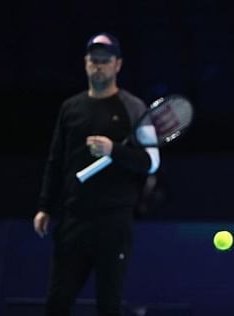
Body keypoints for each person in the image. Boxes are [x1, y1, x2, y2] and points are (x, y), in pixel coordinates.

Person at [33, 32, 160, 316]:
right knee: (57, 302)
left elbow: (151, 162)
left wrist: (113, 150)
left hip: (113, 222)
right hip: (72, 219)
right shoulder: (70, 108)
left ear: (117, 64)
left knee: (109, 305)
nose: (99, 65)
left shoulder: (134, 108)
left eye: (105, 60)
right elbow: (56, 161)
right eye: (94, 60)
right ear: (86, 63)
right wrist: (44, 207)